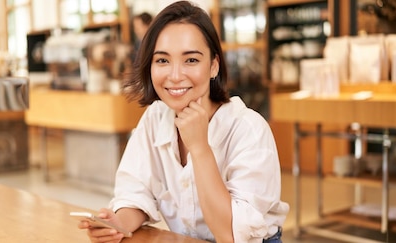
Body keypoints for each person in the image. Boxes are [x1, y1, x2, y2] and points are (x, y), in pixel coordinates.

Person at [78, 1, 289, 242]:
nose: (175, 76)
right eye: (162, 61)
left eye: (191, 60)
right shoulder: (155, 118)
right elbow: (136, 191)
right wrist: (119, 223)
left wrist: (200, 148)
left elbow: (230, 234)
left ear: (213, 66)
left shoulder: (249, 130)